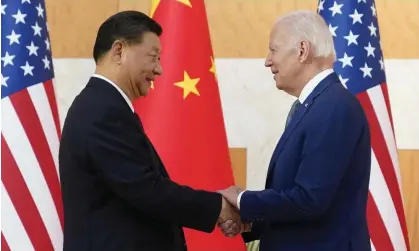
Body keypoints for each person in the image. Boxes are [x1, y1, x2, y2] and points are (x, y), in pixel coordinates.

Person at [58, 10, 240, 251]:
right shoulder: (103, 111)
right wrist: (218, 206)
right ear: (119, 51)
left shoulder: (103, 105)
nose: (159, 70)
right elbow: (147, 190)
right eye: (153, 57)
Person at [218, 10, 372, 251]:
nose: (268, 61)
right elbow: (305, 203)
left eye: (273, 50)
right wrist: (250, 223)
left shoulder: (334, 107)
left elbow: (310, 199)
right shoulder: (316, 106)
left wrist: (241, 199)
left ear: (302, 51)